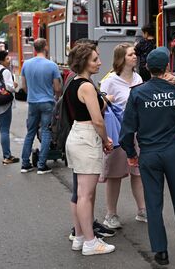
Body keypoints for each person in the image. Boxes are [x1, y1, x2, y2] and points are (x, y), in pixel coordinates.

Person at [120, 47, 175, 265]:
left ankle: (161, 252)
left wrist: (130, 153)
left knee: (153, 203)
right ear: (167, 67)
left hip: (149, 154)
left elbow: (127, 130)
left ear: (147, 68)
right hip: (174, 152)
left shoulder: (137, 93)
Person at [65, 42, 115, 255]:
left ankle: (79, 237)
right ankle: (91, 242)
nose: (99, 63)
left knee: (79, 194)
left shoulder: (74, 82)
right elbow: (98, 121)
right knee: (86, 195)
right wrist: (106, 140)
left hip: (76, 135)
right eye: (95, 59)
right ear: (84, 61)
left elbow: (84, 111)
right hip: (86, 139)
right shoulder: (86, 86)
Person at [100, 43, 147, 228]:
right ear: (121, 59)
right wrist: (107, 100)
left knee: (138, 173)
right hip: (118, 133)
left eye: (134, 54)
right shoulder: (110, 80)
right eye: (130, 54)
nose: (134, 56)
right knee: (115, 175)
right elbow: (99, 106)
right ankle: (111, 215)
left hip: (138, 132)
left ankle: (142, 210)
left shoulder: (138, 77)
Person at [20, 38, 62, 174]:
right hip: (47, 103)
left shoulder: (26, 64)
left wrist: (32, 94)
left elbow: (24, 87)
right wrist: (55, 97)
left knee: (30, 132)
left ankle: (25, 164)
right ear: (45, 47)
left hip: (32, 102)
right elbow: (57, 88)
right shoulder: (52, 65)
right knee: (45, 132)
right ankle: (42, 165)